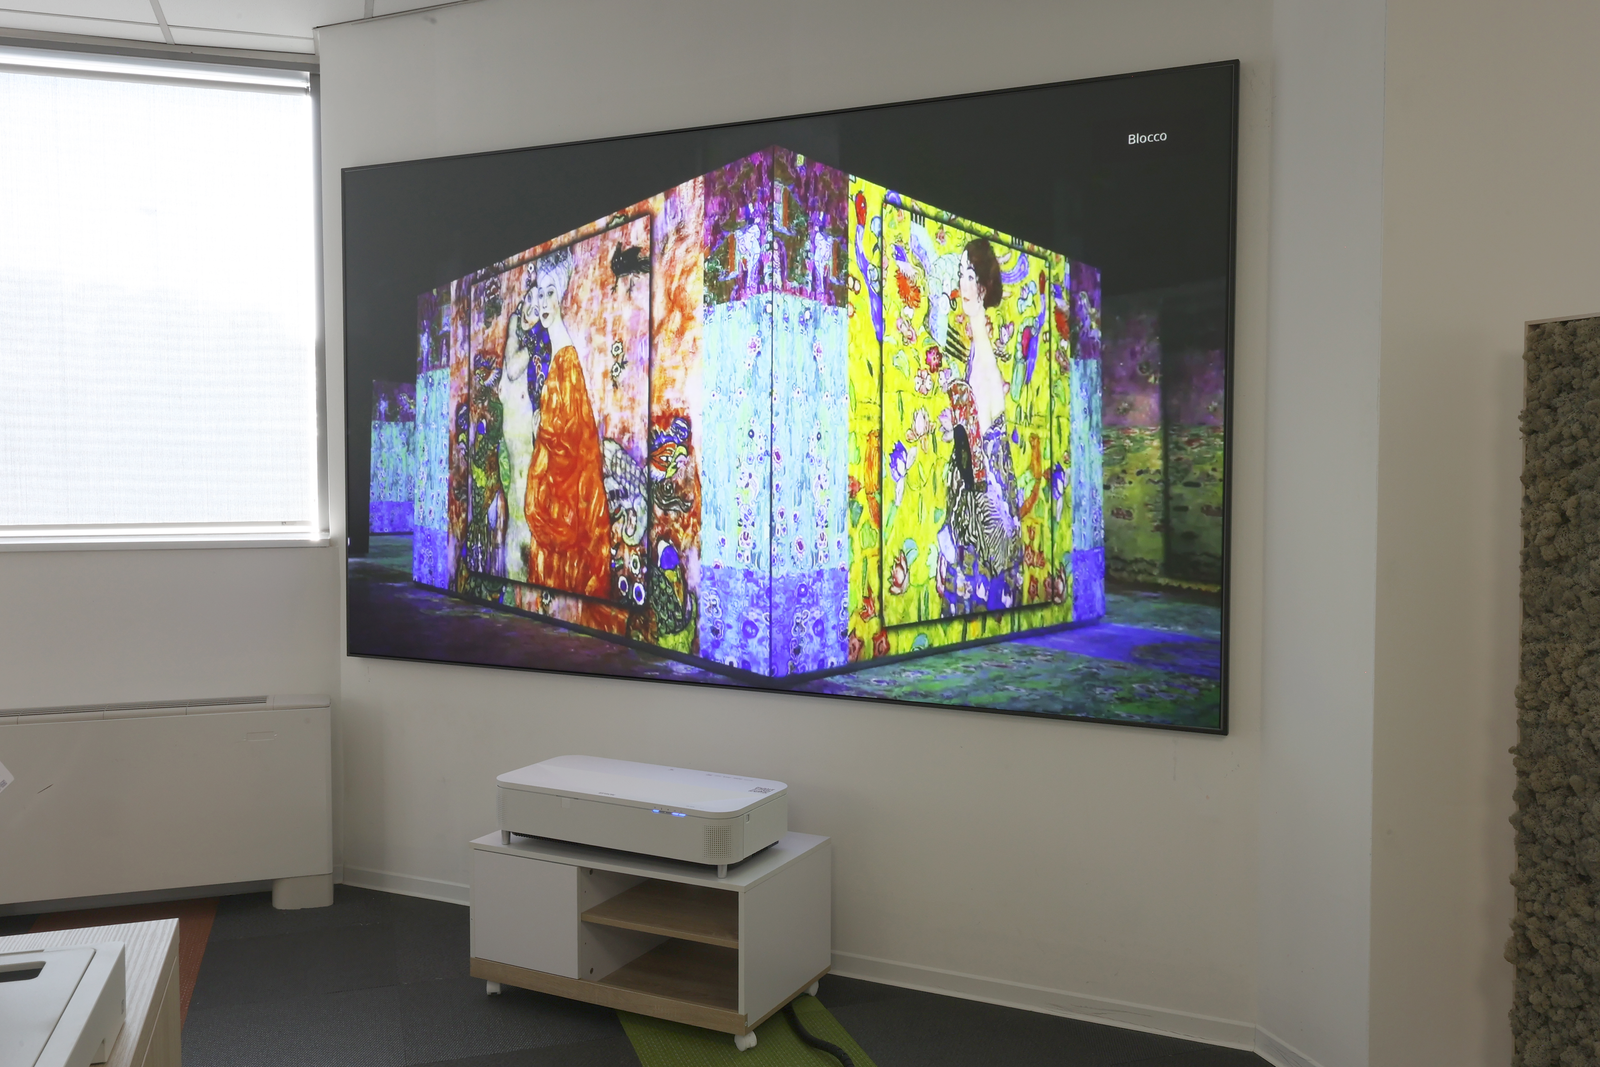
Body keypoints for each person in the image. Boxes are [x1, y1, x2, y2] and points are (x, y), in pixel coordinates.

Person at [522, 248, 612, 599]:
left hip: (564, 497)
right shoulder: (557, 354)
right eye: (540, 294)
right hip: (556, 492)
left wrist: (540, 427)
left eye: (550, 294)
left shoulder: (566, 359)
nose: (544, 303)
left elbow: (570, 435)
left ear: (560, 297)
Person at [940, 238, 1022, 612]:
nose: (962, 284)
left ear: (984, 288)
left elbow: (973, 458)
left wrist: (956, 425)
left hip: (981, 524)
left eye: (970, 275)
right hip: (983, 514)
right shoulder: (977, 352)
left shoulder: (984, 361)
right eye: (961, 273)